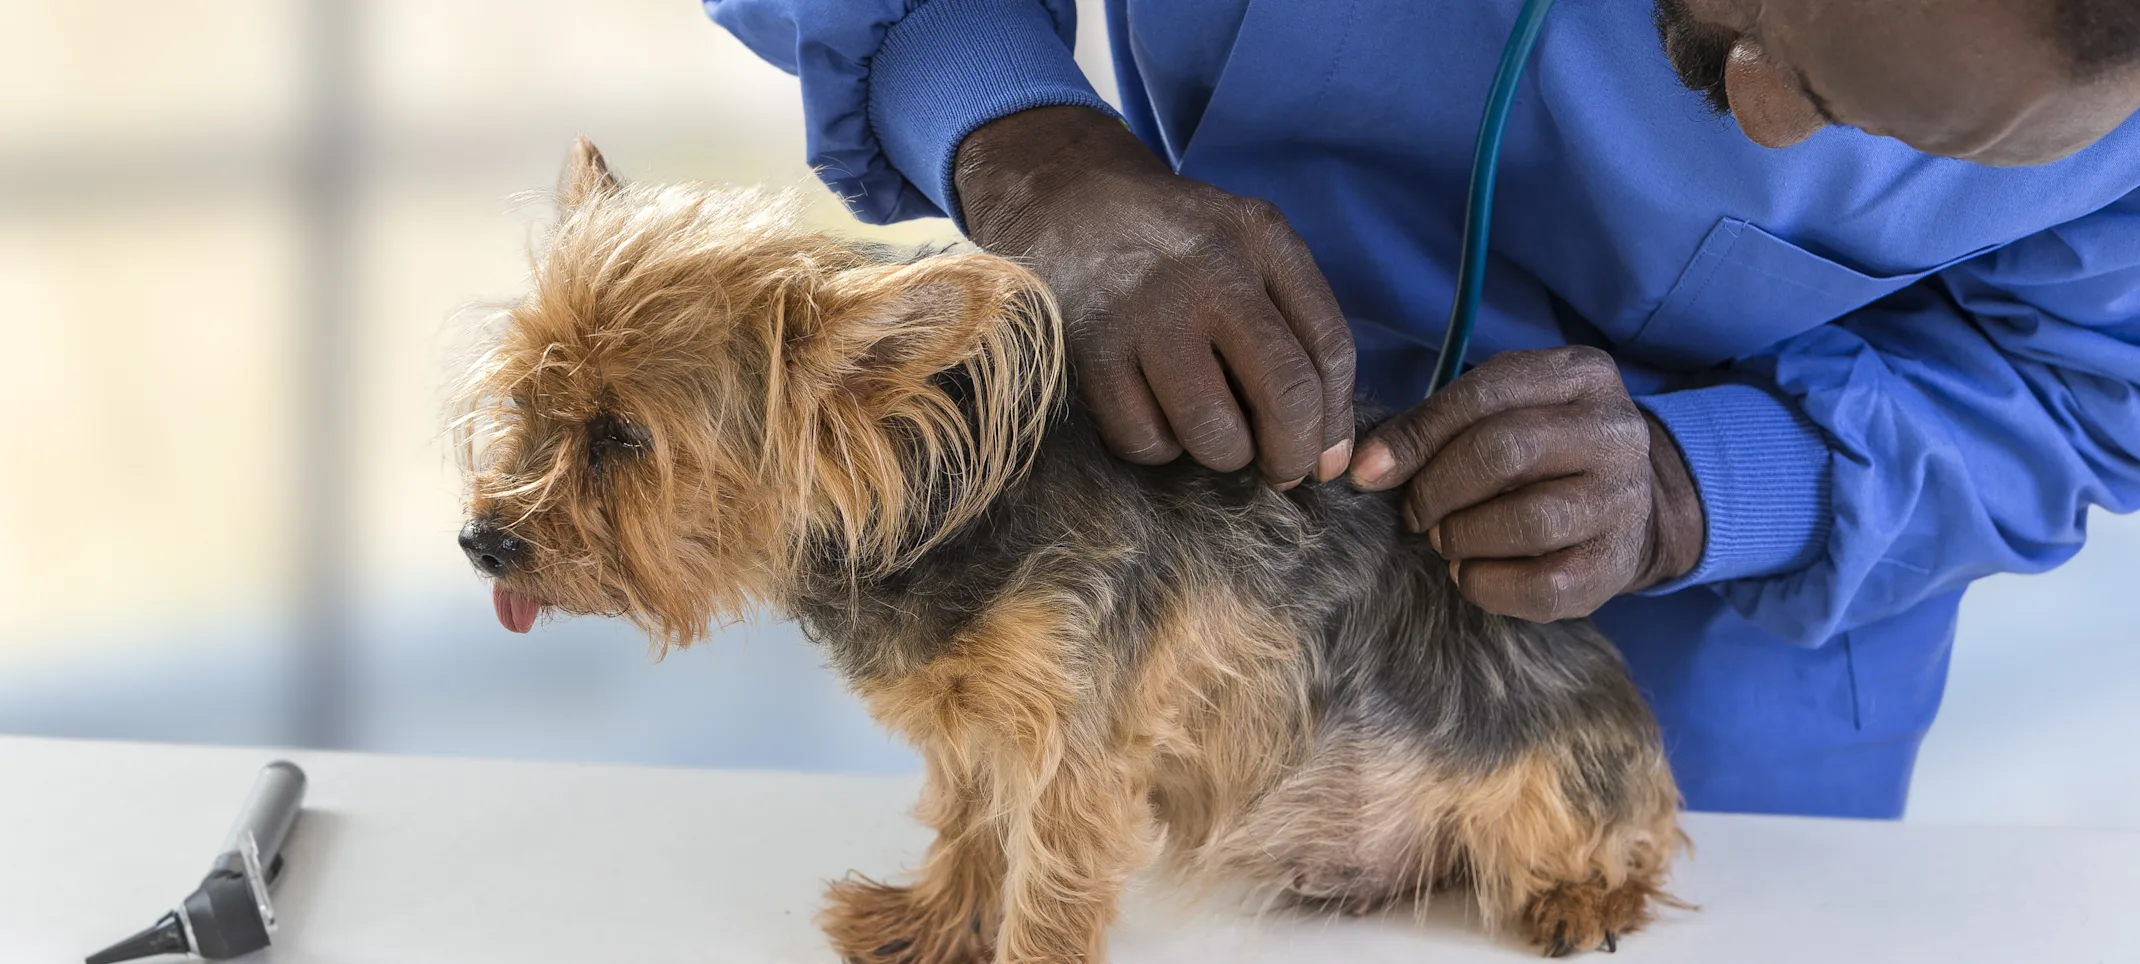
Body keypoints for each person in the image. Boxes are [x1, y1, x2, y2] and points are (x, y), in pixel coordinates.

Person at [704, 0, 2140, 819]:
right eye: (1748, 17)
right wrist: (1020, 138)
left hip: (1695, 724)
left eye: (1874, 129)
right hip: (1173, 623)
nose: (1756, 121)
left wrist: (1706, 484)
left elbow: (2082, 397)